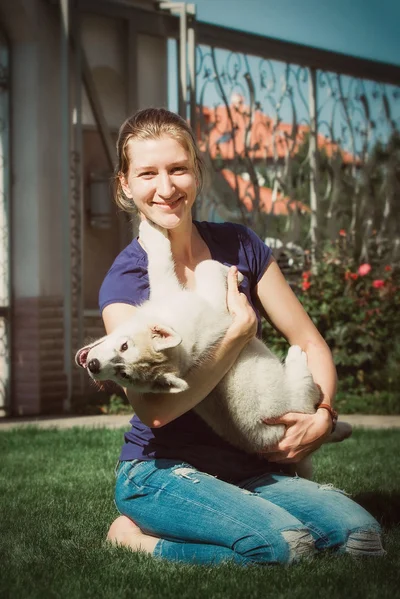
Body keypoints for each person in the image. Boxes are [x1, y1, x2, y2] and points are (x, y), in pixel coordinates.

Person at [100, 107, 384, 565]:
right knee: (281, 548)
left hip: (248, 464)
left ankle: (247, 506)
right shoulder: (126, 280)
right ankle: (135, 538)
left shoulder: (240, 245)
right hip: (163, 469)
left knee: (362, 539)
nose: (166, 188)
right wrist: (237, 334)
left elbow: (309, 343)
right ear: (125, 185)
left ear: (198, 172)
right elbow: (154, 410)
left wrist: (323, 415)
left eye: (178, 169)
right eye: (148, 173)